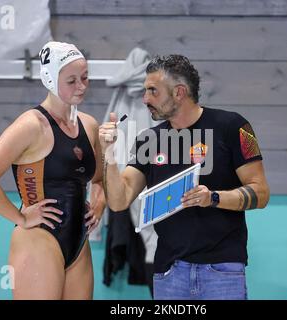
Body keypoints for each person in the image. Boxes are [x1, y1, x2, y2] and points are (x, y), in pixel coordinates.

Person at [99, 54, 270, 300]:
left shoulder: (235, 127)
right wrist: (108, 153)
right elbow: (118, 200)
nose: (145, 99)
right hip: (169, 273)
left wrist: (213, 197)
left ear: (179, 92)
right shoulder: (148, 140)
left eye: (153, 91)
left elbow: (261, 192)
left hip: (222, 271)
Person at [0, 41, 105, 300]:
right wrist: (21, 218)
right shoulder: (31, 125)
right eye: (72, 80)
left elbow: (99, 179)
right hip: (39, 239)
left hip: (79, 241)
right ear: (51, 80)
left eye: (85, 78)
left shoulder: (89, 125)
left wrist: (99, 206)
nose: (82, 86)